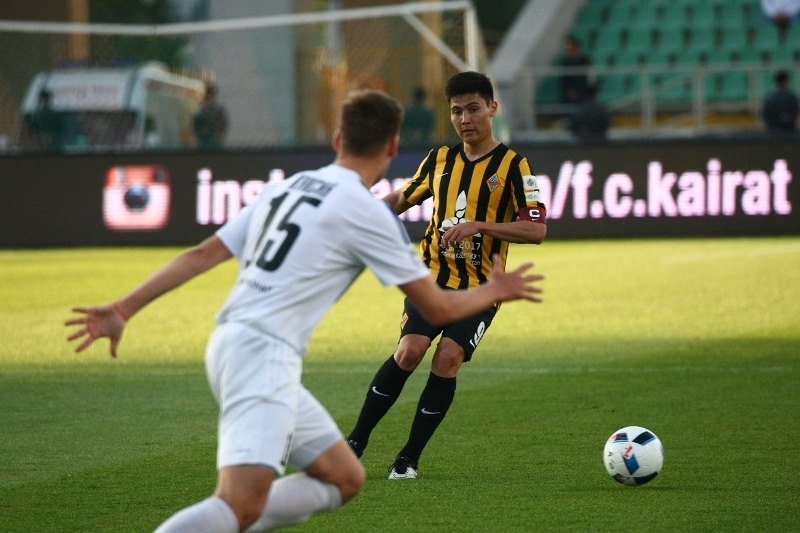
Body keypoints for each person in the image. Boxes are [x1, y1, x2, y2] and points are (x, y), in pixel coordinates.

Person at [64, 89, 544, 532]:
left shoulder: (289, 187)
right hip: (262, 357)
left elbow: (202, 253)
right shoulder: (368, 213)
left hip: (231, 344)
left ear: (337, 139)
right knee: (237, 503)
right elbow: (436, 307)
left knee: (343, 478)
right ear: (393, 147)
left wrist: (124, 307)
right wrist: (496, 289)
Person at [345, 72, 548, 480]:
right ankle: (355, 442)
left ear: (492, 108)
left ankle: (408, 458)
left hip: (481, 289)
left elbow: (536, 229)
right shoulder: (440, 159)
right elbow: (401, 199)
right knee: (410, 351)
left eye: (473, 109)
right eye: (456, 111)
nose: (465, 119)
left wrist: (480, 225)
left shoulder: (516, 166)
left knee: (448, 358)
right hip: (432, 279)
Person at [761, 70, 799, 134]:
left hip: (774, 130)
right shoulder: (791, 97)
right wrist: (786, 118)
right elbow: (795, 112)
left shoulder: (769, 97)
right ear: (786, 81)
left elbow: (764, 114)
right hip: (788, 131)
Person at [193, 82, 229, 149]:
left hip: (214, 145)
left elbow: (222, 128)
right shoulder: (201, 112)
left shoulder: (218, 111)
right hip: (205, 145)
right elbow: (197, 129)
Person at [559, 35, 592, 105]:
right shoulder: (565, 63)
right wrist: (569, 91)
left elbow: (589, 79)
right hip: (569, 95)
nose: (569, 52)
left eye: (571, 49)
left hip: (583, 92)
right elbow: (564, 80)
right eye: (567, 50)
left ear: (577, 48)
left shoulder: (585, 61)